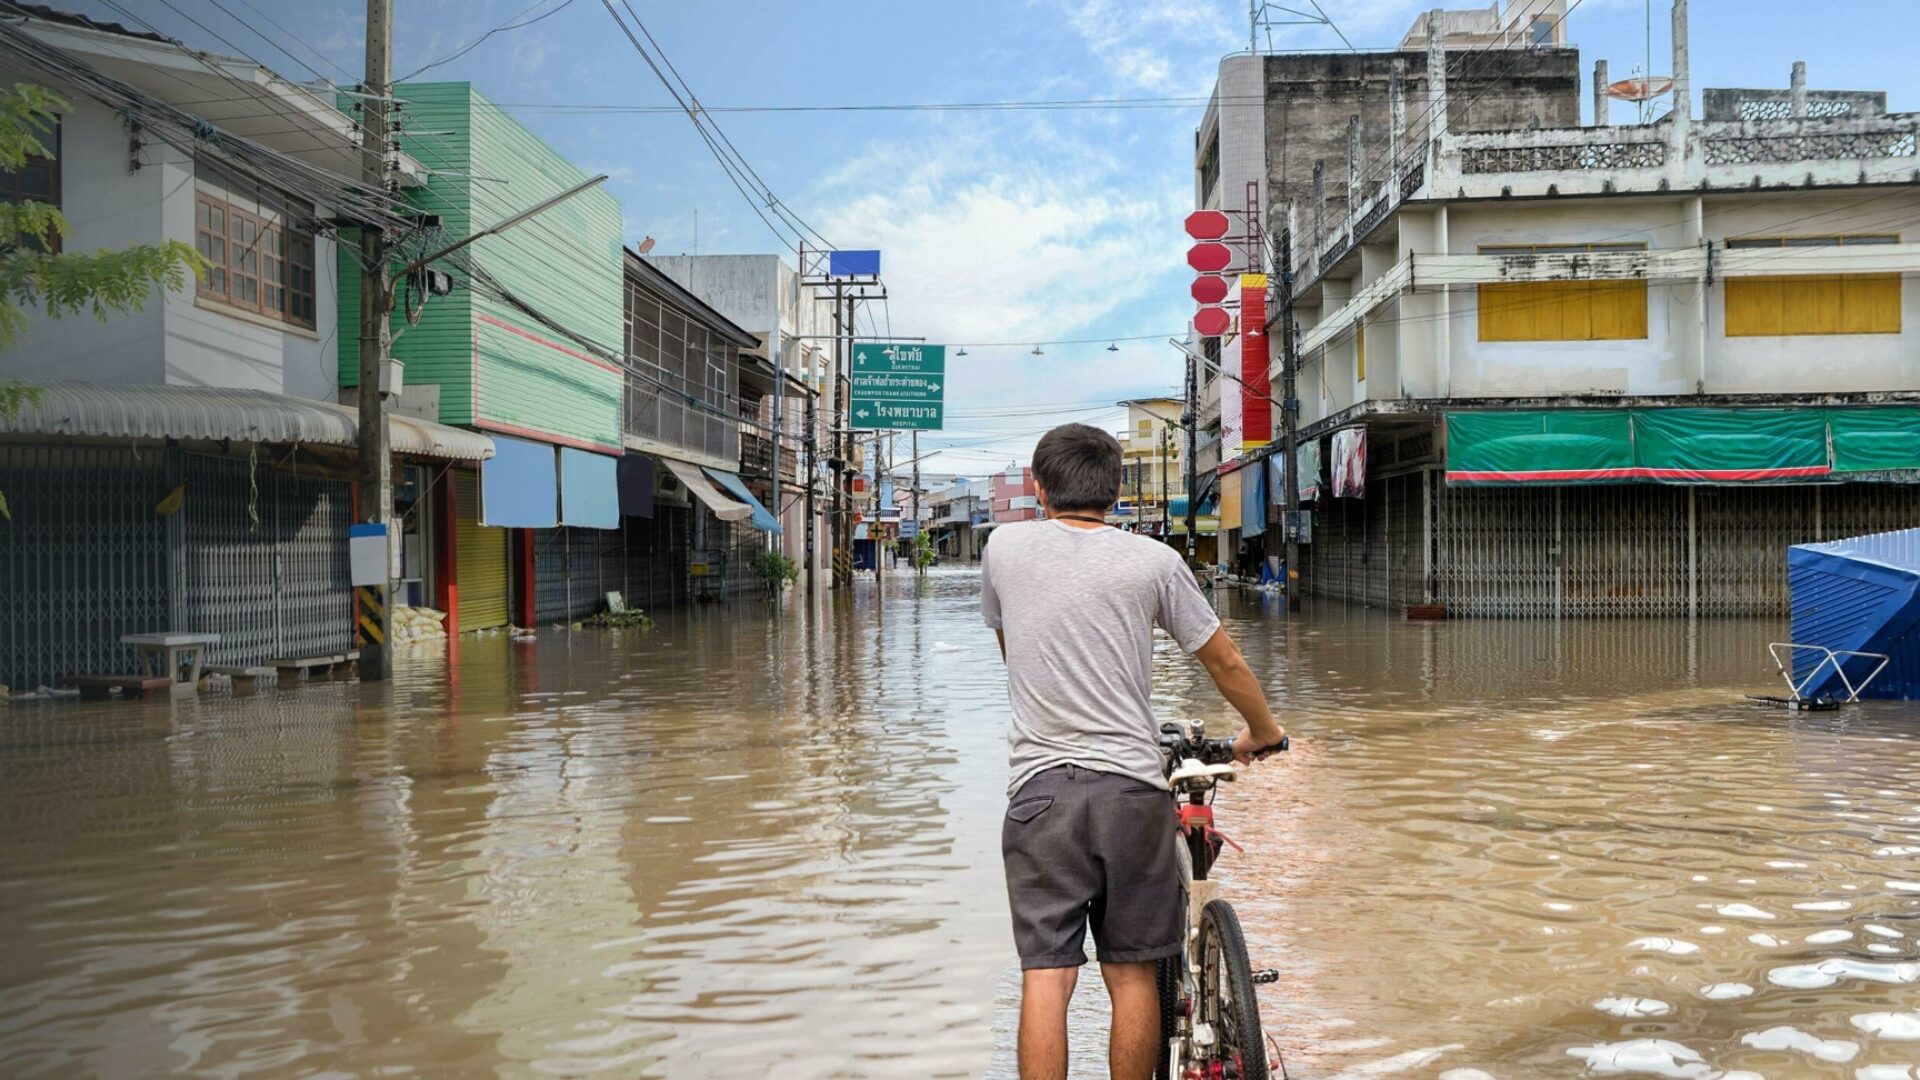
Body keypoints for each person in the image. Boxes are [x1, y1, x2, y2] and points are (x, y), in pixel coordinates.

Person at [980, 423, 1287, 1080]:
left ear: (1037, 489)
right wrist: (1262, 731)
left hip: (1039, 798)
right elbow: (1224, 660)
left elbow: (1014, 652)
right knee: (1132, 977)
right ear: (1118, 491)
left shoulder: (1002, 548)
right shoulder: (1153, 561)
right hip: (1130, 793)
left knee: (1047, 977)